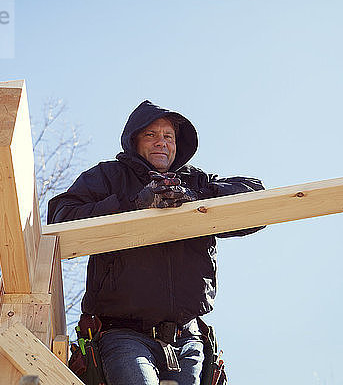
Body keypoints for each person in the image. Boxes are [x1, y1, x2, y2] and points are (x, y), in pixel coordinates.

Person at [47, 100, 264, 385]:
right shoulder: (109, 178)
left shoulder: (196, 182)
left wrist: (194, 200)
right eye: (151, 135)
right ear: (134, 141)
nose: (161, 142)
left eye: (168, 136)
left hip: (188, 339)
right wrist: (134, 204)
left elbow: (257, 200)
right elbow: (61, 218)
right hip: (123, 334)